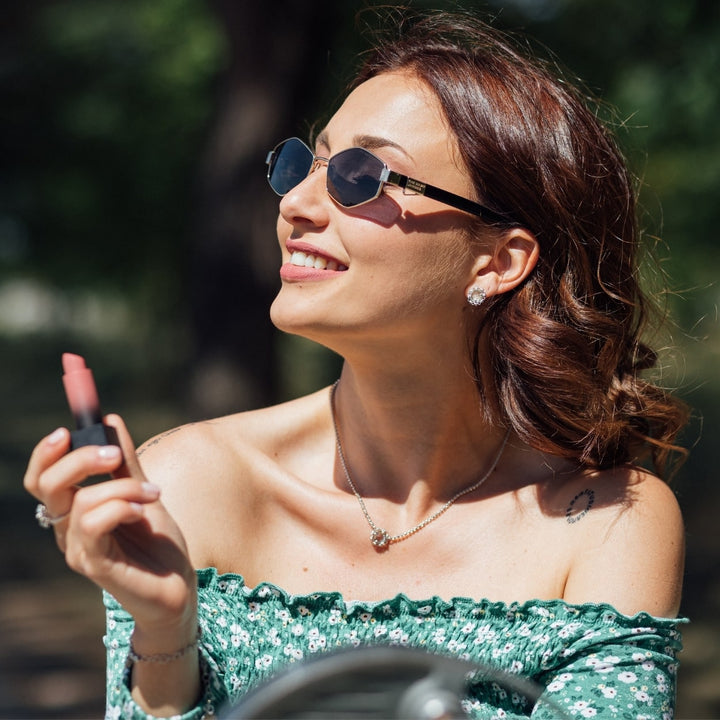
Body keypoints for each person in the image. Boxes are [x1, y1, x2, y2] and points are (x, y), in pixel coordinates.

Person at [24, 9, 689, 720]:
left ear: (498, 262)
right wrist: (165, 632)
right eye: (303, 164)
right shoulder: (186, 484)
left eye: (359, 176)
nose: (297, 203)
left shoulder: (610, 526)